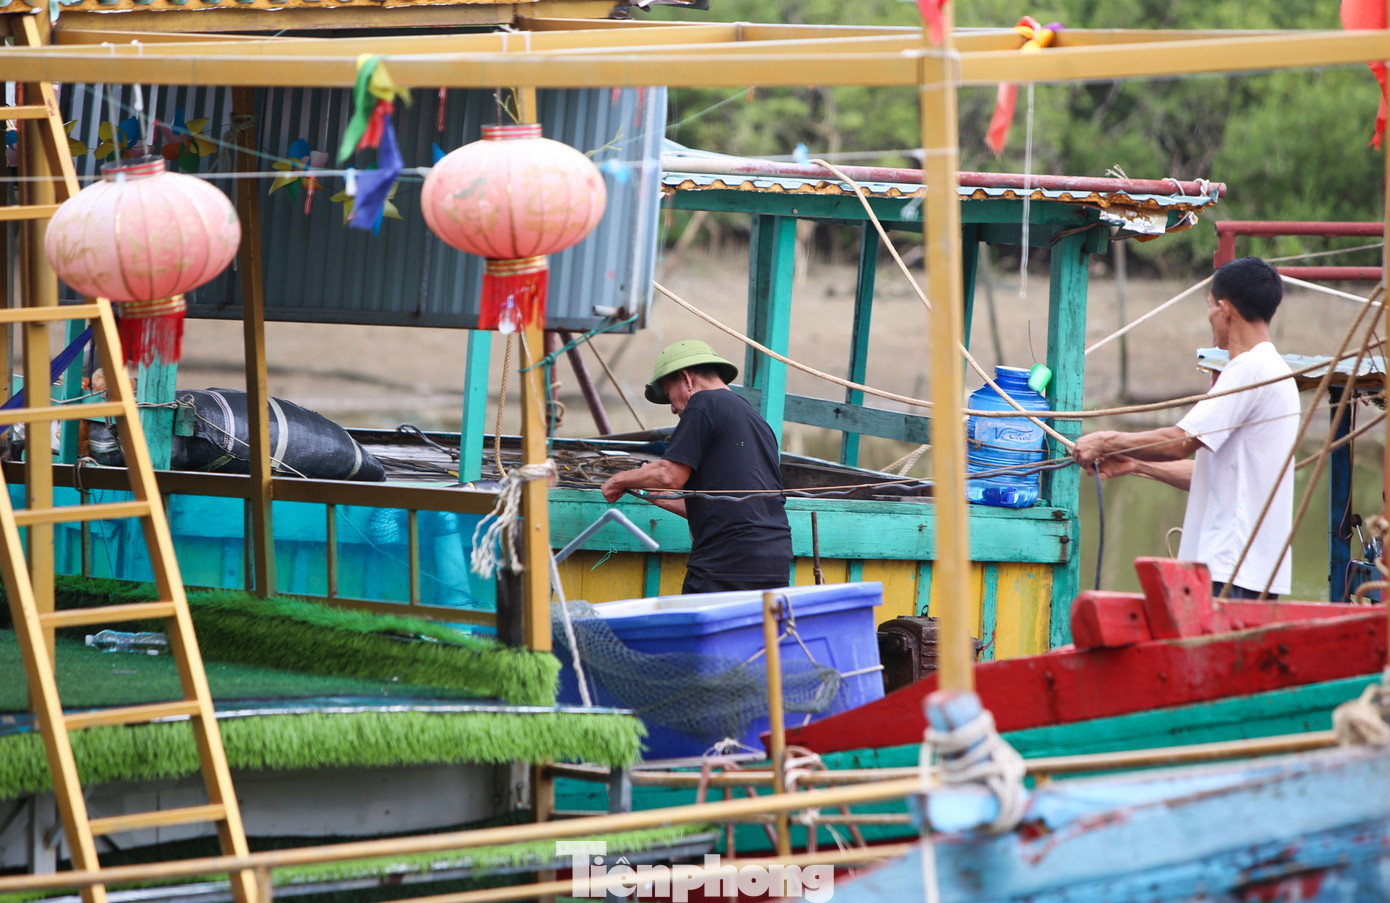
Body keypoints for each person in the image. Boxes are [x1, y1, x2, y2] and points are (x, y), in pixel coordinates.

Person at [1071, 256, 1298, 599]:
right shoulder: (1276, 371)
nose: (1209, 316)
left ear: (1224, 309)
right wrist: (1137, 464)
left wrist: (1107, 441)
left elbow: (1180, 441)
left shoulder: (1248, 369)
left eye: (1209, 306)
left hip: (1229, 569)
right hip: (1250, 571)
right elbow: (1213, 478)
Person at [600, 339, 793, 594]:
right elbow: (717, 507)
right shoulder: (754, 418)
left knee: (697, 633)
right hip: (773, 558)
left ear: (686, 379)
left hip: (727, 559)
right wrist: (655, 495)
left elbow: (669, 474)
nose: (672, 408)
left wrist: (619, 479)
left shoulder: (703, 404)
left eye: (669, 395)